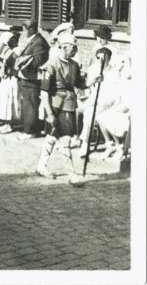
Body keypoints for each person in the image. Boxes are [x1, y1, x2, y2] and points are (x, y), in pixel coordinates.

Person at [36, 33, 103, 185]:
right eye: (73, 47)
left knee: (53, 136)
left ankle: (41, 166)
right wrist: (49, 113)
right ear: (64, 47)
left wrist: (94, 80)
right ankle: (72, 174)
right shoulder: (51, 65)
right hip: (56, 105)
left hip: (69, 104)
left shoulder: (73, 65)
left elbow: (81, 84)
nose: (75, 50)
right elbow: (44, 92)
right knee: (65, 138)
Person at [14, 19, 50, 140]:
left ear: (32, 29)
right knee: (29, 104)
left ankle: (31, 131)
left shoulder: (38, 42)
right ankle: (31, 129)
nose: (24, 32)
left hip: (32, 79)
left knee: (30, 105)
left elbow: (37, 61)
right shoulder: (34, 40)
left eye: (25, 30)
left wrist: (22, 60)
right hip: (27, 78)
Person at [96, 54, 131, 160]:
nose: (121, 66)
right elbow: (117, 95)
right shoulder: (119, 79)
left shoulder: (132, 79)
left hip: (129, 109)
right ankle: (111, 144)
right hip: (119, 106)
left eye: (123, 63)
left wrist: (127, 106)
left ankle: (119, 146)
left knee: (117, 118)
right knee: (101, 117)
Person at [0, 27, 22, 133]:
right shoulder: (7, 50)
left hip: (12, 78)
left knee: (11, 100)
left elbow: (9, 62)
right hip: (5, 78)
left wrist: (3, 55)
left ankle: (11, 124)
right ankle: (6, 122)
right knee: (4, 100)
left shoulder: (17, 50)